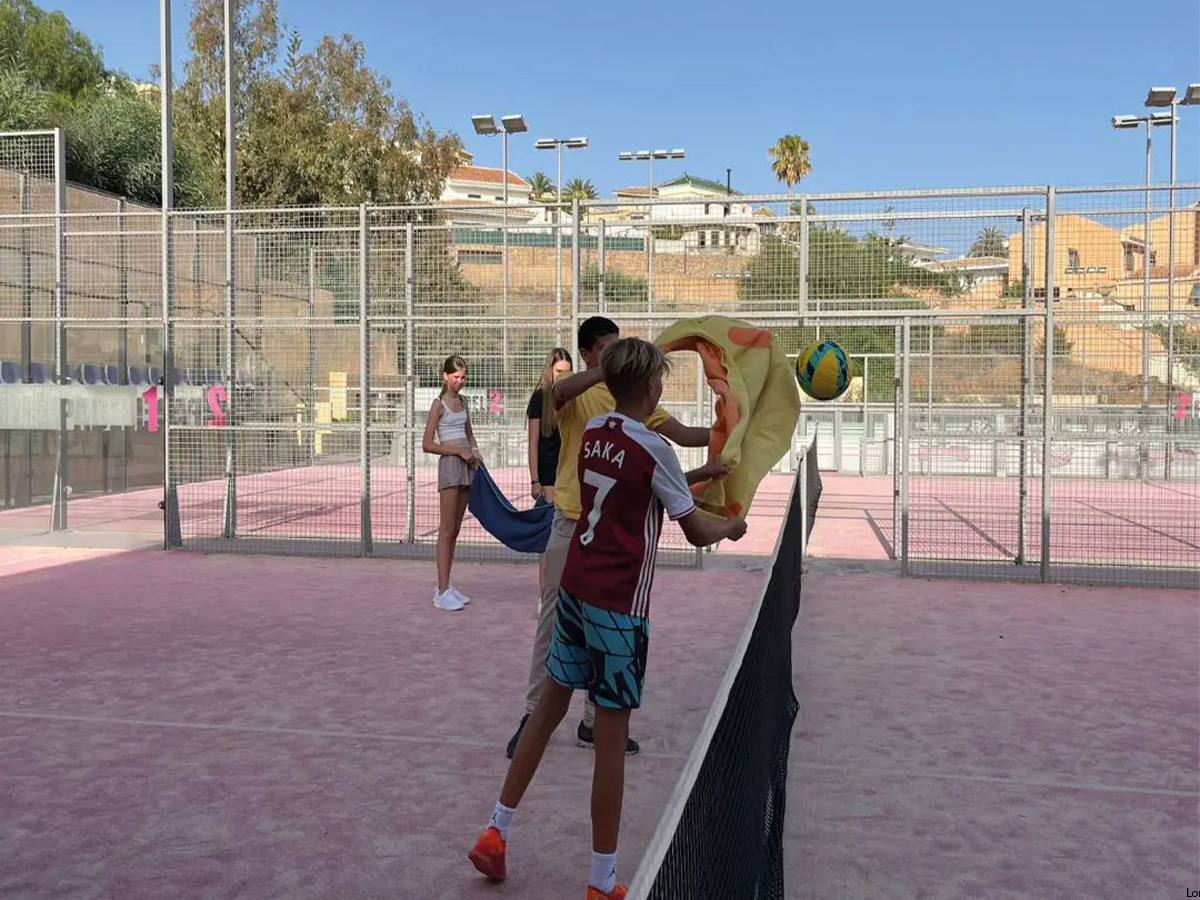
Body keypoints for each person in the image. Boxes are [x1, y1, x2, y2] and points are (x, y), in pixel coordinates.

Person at [469, 337, 747, 899]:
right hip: (618, 608)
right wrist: (731, 527)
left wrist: (702, 471)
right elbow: (696, 529)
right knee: (611, 741)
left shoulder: (597, 432)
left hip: (575, 589)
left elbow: (641, 487)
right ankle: (601, 882)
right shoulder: (655, 448)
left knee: (548, 711)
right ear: (651, 386)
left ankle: (496, 830)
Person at [506, 316, 712, 759]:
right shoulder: (578, 393)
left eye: (619, 346)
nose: (614, 353)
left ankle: (593, 721)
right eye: (606, 347)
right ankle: (533, 712)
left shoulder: (635, 400)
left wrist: (731, 430)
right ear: (587, 354)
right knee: (554, 620)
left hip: (610, 533)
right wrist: (608, 371)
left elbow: (682, 435)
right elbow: (558, 392)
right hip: (570, 523)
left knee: (605, 624)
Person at [422, 354, 482, 612]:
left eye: (463, 377)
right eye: (456, 377)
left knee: (455, 529)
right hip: (450, 466)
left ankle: (447, 585)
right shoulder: (438, 405)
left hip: (467, 466)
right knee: (446, 529)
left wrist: (475, 452)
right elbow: (427, 444)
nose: (460, 381)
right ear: (445, 376)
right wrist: (458, 452)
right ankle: (441, 590)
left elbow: (469, 434)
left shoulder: (464, 402)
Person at [527, 347, 573, 595]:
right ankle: (545, 594)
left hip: (570, 473)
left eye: (567, 372)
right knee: (549, 536)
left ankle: (565, 593)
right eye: (558, 371)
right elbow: (533, 443)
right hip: (548, 476)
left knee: (569, 535)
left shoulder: (576, 396)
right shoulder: (539, 398)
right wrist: (535, 480)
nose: (562, 376)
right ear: (550, 371)